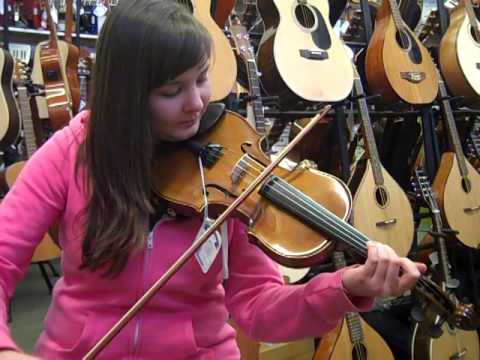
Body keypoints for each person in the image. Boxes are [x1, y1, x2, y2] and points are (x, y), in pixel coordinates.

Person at [0, 1, 426, 359]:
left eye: (201, 79)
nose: (197, 103)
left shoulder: (228, 164)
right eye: (172, 91)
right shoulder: (73, 150)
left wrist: (343, 287)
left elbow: (259, 307)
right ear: (126, 94)